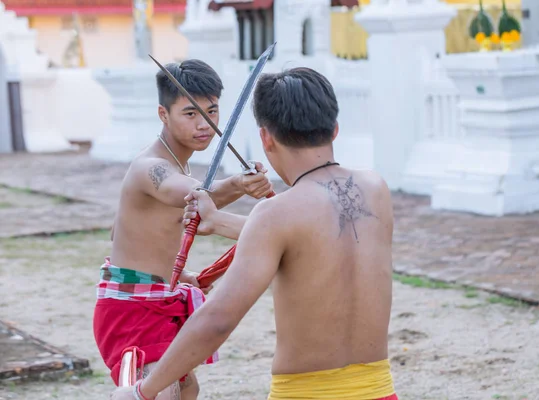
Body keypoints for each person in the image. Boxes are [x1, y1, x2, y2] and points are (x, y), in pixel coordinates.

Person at [110, 67, 396, 400]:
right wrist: (218, 221)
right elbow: (310, 239)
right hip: (380, 392)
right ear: (335, 129)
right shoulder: (376, 189)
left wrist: (143, 392)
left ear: (266, 138)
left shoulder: (275, 216)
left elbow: (217, 319)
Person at [94, 59, 274, 400]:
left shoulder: (178, 162)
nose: (204, 123)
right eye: (190, 113)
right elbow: (190, 193)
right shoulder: (152, 168)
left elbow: (197, 198)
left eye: (211, 111)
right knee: (163, 392)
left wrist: (239, 183)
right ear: (164, 114)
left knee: (187, 388)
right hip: (130, 310)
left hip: (158, 295)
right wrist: (238, 185)